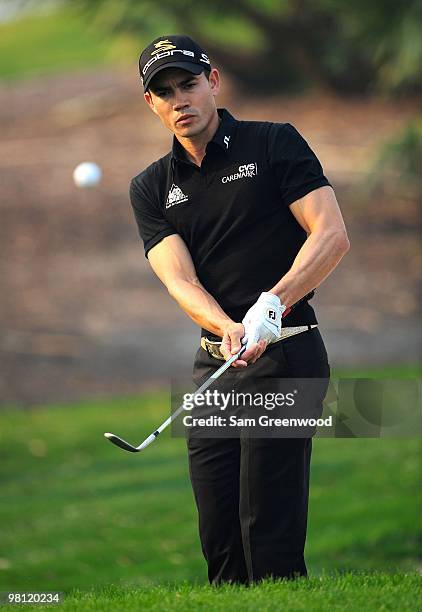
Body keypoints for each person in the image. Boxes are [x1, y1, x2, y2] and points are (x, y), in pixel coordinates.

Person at [130, 34, 350, 585]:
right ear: (151, 104)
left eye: (188, 84)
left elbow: (331, 235)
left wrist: (274, 302)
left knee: (266, 524)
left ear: (214, 83)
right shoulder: (152, 187)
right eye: (164, 92)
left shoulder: (274, 144)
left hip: (290, 348)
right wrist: (226, 325)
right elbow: (178, 277)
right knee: (220, 532)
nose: (179, 99)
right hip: (217, 359)